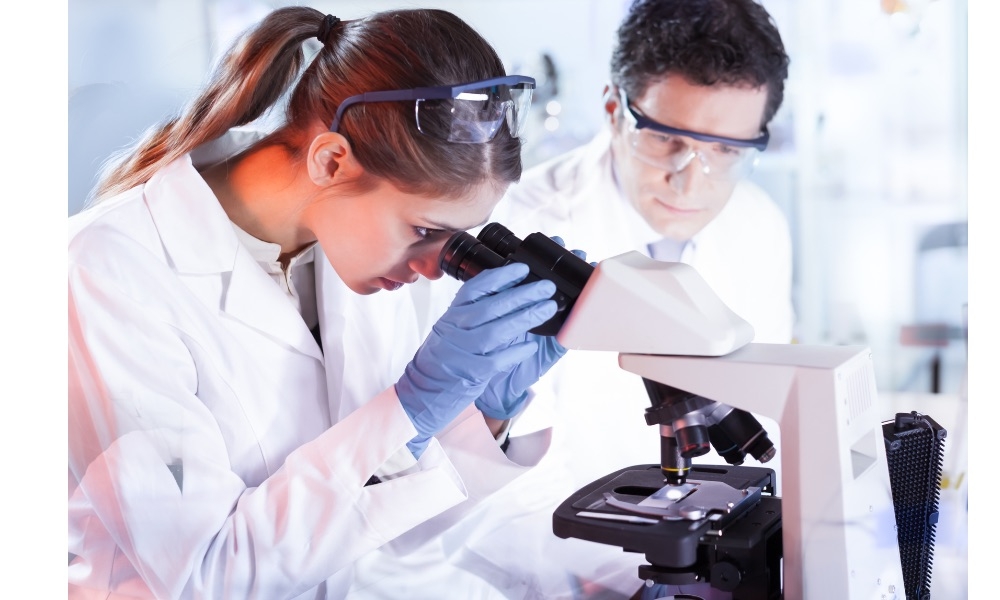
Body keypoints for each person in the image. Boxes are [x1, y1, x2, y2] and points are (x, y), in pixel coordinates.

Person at [68, 7, 575, 598]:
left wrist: (483, 410)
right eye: (424, 231)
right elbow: (203, 576)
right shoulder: (107, 272)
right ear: (331, 160)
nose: (437, 266)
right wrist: (409, 410)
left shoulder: (349, 251)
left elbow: (383, 529)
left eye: (457, 239)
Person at [433, 1, 795, 597]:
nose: (692, 177)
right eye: (668, 140)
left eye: (727, 151)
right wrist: (619, 581)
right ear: (613, 109)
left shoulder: (761, 226)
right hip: (557, 576)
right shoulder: (525, 222)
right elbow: (485, 485)